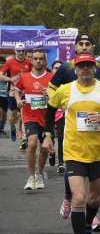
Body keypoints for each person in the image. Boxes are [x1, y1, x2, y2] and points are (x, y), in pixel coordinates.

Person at [42, 53, 100, 234]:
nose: (85, 69)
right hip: (73, 152)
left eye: (89, 65)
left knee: (93, 200)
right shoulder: (65, 90)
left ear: (95, 68)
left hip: (98, 153)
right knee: (78, 199)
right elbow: (49, 111)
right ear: (75, 70)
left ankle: (86, 224)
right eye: (81, 66)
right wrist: (48, 135)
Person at [48, 33, 100, 230]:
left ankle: (86, 212)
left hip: (96, 136)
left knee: (92, 195)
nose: (84, 46)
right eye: (80, 44)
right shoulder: (66, 68)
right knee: (78, 188)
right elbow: (51, 89)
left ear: (93, 47)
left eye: (87, 44)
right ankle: (70, 198)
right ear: (75, 48)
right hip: (71, 127)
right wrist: (62, 104)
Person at [15, 49, 53, 190]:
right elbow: (16, 91)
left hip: (46, 117)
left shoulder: (51, 77)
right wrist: (19, 100)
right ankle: (31, 177)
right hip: (29, 115)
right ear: (31, 60)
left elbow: (58, 96)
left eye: (41, 58)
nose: (38, 61)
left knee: (44, 148)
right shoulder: (24, 77)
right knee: (31, 143)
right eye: (35, 58)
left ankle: (39, 174)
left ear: (45, 61)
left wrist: (49, 93)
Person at [0, 43, 32, 142]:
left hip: (24, 92)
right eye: (19, 50)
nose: (21, 52)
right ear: (15, 51)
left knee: (23, 115)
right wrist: (10, 79)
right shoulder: (10, 62)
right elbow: (0, 75)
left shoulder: (29, 63)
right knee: (14, 115)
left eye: (22, 50)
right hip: (13, 91)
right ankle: (13, 127)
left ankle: (22, 136)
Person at [50, 60, 66, 173]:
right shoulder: (47, 81)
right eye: (56, 68)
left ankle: (61, 163)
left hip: (61, 114)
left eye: (60, 68)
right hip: (49, 114)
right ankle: (51, 153)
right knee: (50, 138)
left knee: (61, 138)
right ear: (52, 69)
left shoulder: (66, 82)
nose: (57, 70)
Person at [0, 57, 8, 135]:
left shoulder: (7, 72)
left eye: (3, 63)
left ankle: (1, 128)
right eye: (0, 63)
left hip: (5, 95)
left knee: (4, 113)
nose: (1, 64)